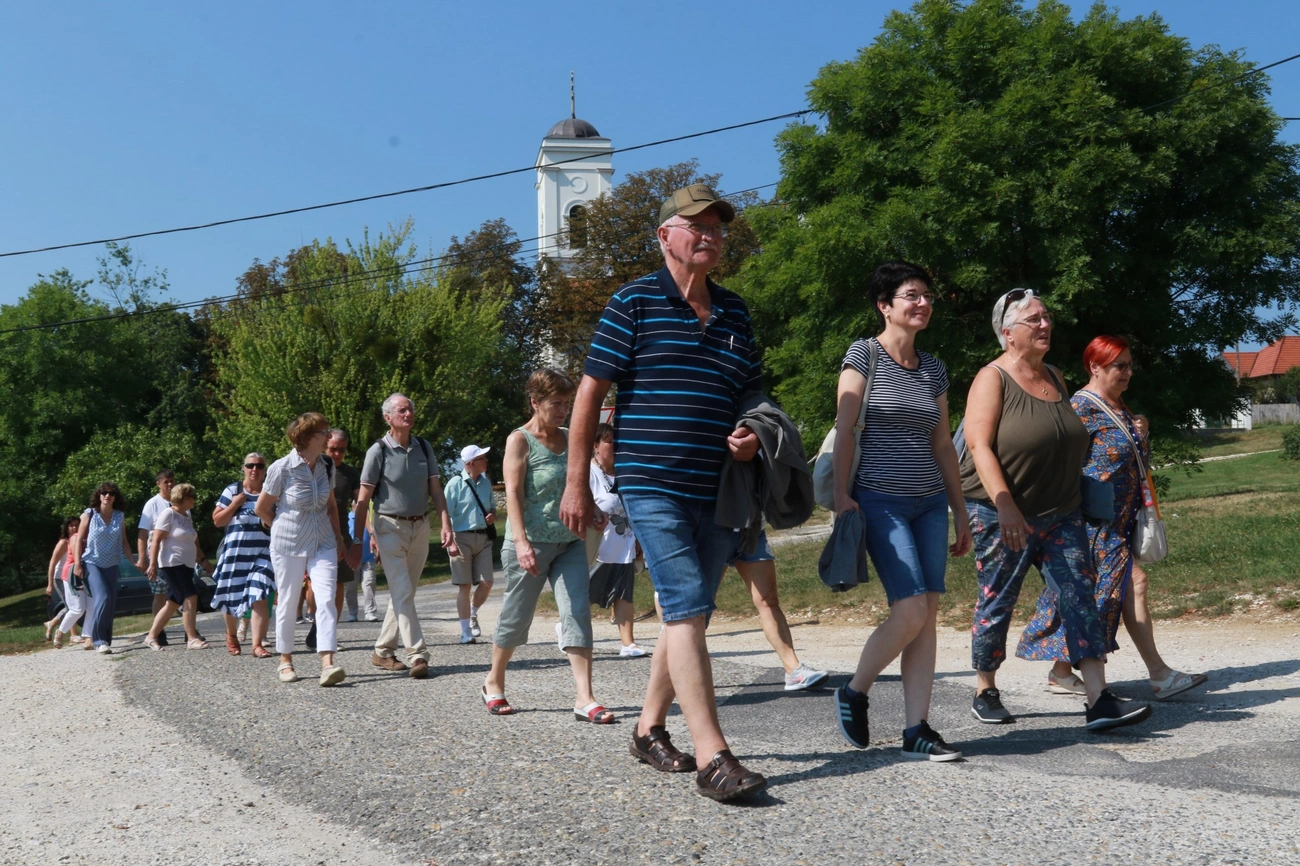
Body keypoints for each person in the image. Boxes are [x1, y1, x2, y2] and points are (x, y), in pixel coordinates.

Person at [561, 184, 768, 802]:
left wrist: (753, 432)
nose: (709, 235)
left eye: (717, 227)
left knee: (692, 612)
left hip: (717, 486)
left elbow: (752, 393)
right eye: (695, 224)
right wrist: (577, 482)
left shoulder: (735, 313)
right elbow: (589, 395)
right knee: (682, 604)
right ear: (664, 236)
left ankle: (648, 729)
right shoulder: (633, 303)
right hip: (651, 481)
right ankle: (714, 756)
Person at [960, 289, 1152, 731]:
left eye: (1047, 317)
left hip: (1062, 510)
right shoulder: (992, 378)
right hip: (1002, 511)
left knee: (1080, 595)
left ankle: (1098, 699)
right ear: (1008, 333)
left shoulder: (1056, 376)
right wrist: (1005, 505)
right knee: (998, 598)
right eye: (1034, 320)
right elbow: (978, 445)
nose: (1045, 325)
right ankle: (985, 688)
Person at [828, 261, 971, 760]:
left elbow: (942, 442)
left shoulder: (934, 368)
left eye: (926, 295)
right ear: (884, 305)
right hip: (880, 500)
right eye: (911, 295)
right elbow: (845, 428)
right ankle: (854, 690)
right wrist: (842, 495)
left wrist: (960, 508)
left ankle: (917, 729)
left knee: (927, 616)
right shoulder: (863, 355)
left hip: (930, 503)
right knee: (909, 609)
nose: (922, 302)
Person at [1018, 335, 1209, 701]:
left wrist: (1142, 431)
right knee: (1128, 587)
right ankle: (1159, 675)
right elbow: (1059, 463)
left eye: (1129, 365)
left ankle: (1061, 672)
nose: (1127, 372)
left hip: (1119, 522)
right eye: (1118, 365)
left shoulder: (1117, 407)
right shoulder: (1079, 407)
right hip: (1093, 525)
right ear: (1095, 367)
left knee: (1094, 598)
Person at [482, 368, 614, 724]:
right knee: (517, 615)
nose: (563, 411)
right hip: (531, 544)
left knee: (576, 612)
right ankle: (494, 681)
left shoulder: (573, 437)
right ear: (535, 402)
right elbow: (511, 494)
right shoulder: (520, 440)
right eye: (556, 403)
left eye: (567, 404)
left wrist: (595, 511)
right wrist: (521, 542)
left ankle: (585, 697)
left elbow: (576, 485)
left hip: (570, 541)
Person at [347, 394, 457, 680]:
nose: (408, 413)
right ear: (388, 417)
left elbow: (436, 490)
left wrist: (446, 524)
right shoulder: (378, 451)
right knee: (403, 591)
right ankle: (418, 654)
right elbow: (362, 500)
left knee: (404, 593)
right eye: (402, 410)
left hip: (420, 526)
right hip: (388, 527)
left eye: (411, 408)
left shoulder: (424, 447)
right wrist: (358, 540)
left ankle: (382, 651)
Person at [255, 413, 348, 687]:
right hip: (288, 543)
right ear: (307, 437)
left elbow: (331, 505)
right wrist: (279, 527)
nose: (329, 436)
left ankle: (327, 662)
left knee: (326, 599)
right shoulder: (281, 468)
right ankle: (286, 661)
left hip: (323, 541)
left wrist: (340, 538)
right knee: (288, 599)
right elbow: (261, 508)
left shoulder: (326, 465)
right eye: (324, 432)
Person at [723, 535, 827, 688]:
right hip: (711, 527)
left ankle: (793, 670)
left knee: (768, 599)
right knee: (699, 610)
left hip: (750, 528)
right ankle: (682, 674)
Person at [588, 423, 647, 658]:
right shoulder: (587, 473)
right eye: (610, 441)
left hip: (624, 544)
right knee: (584, 594)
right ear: (595, 445)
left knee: (624, 594)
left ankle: (627, 643)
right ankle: (570, 631)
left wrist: (639, 538)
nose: (616, 446)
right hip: (596, 547)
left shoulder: (625, 472)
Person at [212, 454, 276, 657]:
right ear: (244, 468)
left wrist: (267, 519)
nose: (254, 469)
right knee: (231, 595)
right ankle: (231, 635)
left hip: (263, 552)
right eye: (250, 465)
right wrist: (234, 505)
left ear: (265, 469)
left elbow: (278, 521)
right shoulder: (233, 490)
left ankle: (257, 644)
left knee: (260, 594)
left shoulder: (271, 492)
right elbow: (218, 521)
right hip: (235, 553)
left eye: (259, 466)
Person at [143, 484, 213, 650]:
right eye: (192, 496)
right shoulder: (168, 514)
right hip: (172, 563)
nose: (195, 499)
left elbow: (193, 541)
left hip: (187, 564)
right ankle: (191, 638)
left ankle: (151, 637)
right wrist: (152, 564)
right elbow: (156, 540)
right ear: (184, 498)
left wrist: (203, 559)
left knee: (172, 603)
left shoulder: (186, 515)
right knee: (191, 596)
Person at [443, 444, 497, 644]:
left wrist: (492, 515)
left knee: (487, 582)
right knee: (464, 586)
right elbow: (445, 514)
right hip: (460, 538)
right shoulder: (454, 484)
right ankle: (465, 632)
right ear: (472, 463)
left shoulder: (486, 483)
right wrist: (449, 541)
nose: (487, 461)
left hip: (483, 538)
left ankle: (473, 613)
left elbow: (492, 506)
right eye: (483, 458)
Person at [72, 483, 134, 654]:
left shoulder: (119, 516)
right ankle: (97, 639)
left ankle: (105, 639)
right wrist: (77, 563)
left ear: (115, 497)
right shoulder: (89, 514)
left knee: (110, 602)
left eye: (112, 493)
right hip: (92, 562)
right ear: (99, 496)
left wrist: (136, 562)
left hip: (112, 563)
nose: (108, 496)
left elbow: (124, 542)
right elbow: (79, 540)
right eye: (104, 493)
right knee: (103, 596)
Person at [326, 429, 363, 624]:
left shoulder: (350, 473)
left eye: (342, 450)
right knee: (316, 584)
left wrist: (362, 536)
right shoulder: (315, 468)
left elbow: (361, 504)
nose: (337, 454)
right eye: (333, 449)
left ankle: (331, 629)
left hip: (341, 532)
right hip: (316, 533)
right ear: (325, 446)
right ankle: (317, 623)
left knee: (338, 583)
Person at [136, 469, 177, 645]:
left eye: (171, 481)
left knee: (182, 592)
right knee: (160, 594)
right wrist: (143, 558)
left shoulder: (179, 501)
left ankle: (191, 630)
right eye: (166, 481)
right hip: (158, 556)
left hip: (177, 554)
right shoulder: (152, 504)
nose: (169, 484)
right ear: (158, 483)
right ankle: (158, 631)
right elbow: (143, 533)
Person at [46, 517, 81, 647]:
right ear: (66, 528)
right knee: (71, 606)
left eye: (77, 525)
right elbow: (52, 563)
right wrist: (50, 584)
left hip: (72, 577)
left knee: (72, 607)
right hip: (60, 578)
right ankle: (72, 635)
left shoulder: (78, 540)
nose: (74, 528)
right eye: (71, 525)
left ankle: (52, 623)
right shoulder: (63, 542)